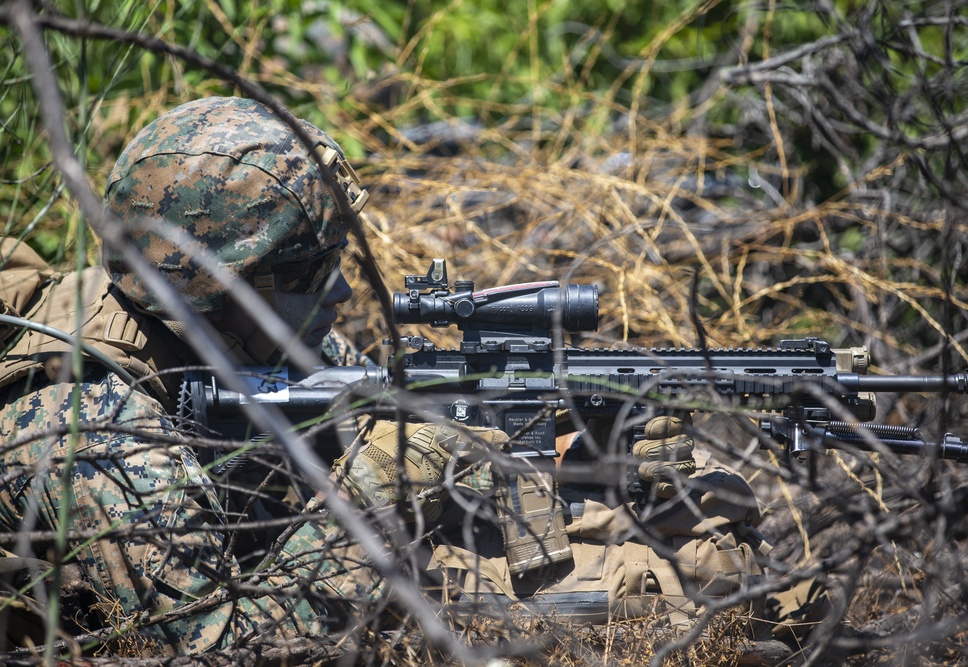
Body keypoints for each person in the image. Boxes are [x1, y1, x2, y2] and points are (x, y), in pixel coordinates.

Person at [0, 97, 772, 657]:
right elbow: (227, 646)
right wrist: (384, 477)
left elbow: (428, 458)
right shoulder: (86, 430)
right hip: (252, 624)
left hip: (308, 584)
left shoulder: (256, 345)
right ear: (222, 288)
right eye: (310, 271)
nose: (340, 292)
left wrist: (585, 452)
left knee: (690, 567)